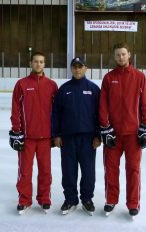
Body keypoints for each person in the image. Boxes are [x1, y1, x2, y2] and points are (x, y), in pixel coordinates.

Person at [99, 42, 146, 218]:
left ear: (129, 54)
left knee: (133, 169)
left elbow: (145, 104)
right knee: (111, 168)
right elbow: (103, 106)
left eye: (123, 54)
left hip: (133, 134)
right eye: (117, 55)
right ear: (114, 57)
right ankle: (111, 199)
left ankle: (133, 203)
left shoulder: (139, 77)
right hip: (113, 134)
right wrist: (105, 128)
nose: (121, 57)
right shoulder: (108, 78)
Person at [9, 52, 58, 215]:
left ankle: (44, 199)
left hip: (45, 137)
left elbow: (56, 112)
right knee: (25, 170)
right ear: (31, 63)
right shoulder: (21, 84)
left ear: (45, 64)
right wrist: (16, 131)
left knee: (45, 170)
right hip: (27, 137)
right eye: (36, 61)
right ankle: (24, 200)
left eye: (42, 62)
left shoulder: (51, 85)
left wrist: (55, 133)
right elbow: (15, 110)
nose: (38, 64)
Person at [52, 57, 101, 216]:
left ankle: (87, 199)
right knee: (68, 171)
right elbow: (56, 114)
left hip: (88, 139)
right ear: (71, 69)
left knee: (88, 171)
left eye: (80, 67)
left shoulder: (93, 89)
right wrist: (57, 134)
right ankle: (70, 199)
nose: (77, 70)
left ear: (86, 68)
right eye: (74, 67)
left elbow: (100, 114)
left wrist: (98, 135)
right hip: (67, 138)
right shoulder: (64, 89)